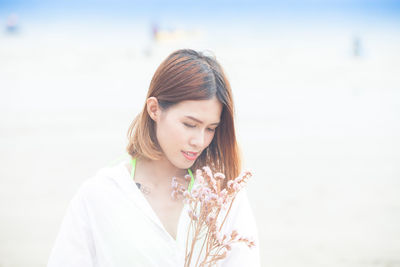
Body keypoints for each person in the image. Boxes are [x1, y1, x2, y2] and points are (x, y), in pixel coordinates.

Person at [47, 49, 260, 266]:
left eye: (210, 128)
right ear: (154, 109)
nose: (200, 141)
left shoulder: (224, 198)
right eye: (190, 124)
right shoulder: (99, 196)